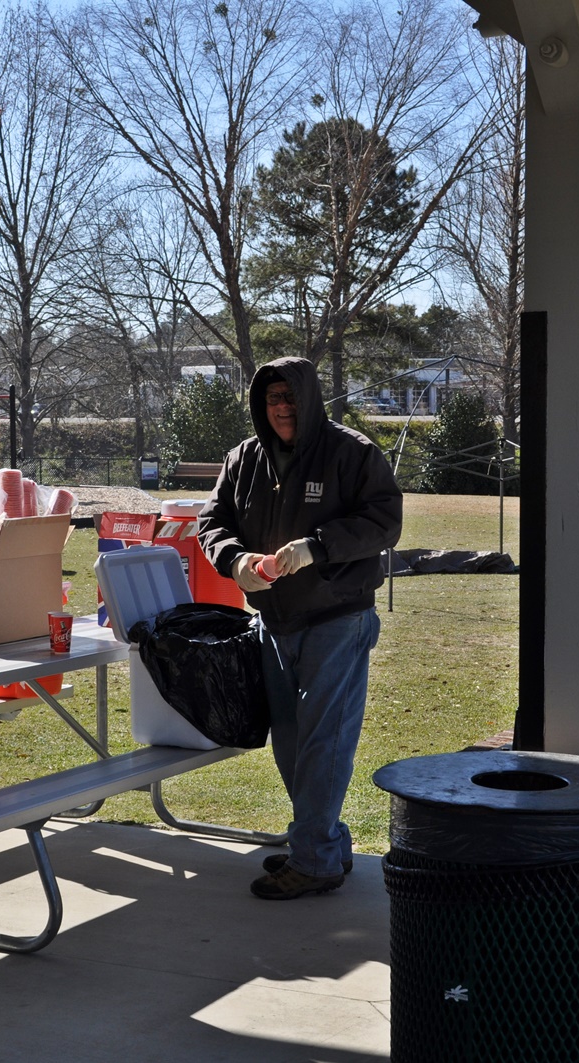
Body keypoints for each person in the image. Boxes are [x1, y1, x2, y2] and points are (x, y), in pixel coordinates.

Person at [197, 357, 403, 900]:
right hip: (274, 620)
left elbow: (385, 522)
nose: (282, 407)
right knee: (290, 743)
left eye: (290, 397)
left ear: (308, 399)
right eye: (272, 399)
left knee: (323, 742)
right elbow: (211, 523)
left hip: (339, 617)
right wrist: (235, 561)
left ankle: (312, 859)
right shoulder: (244, 457)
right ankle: (324, 844)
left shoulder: (352, 452)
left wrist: (318, 547)